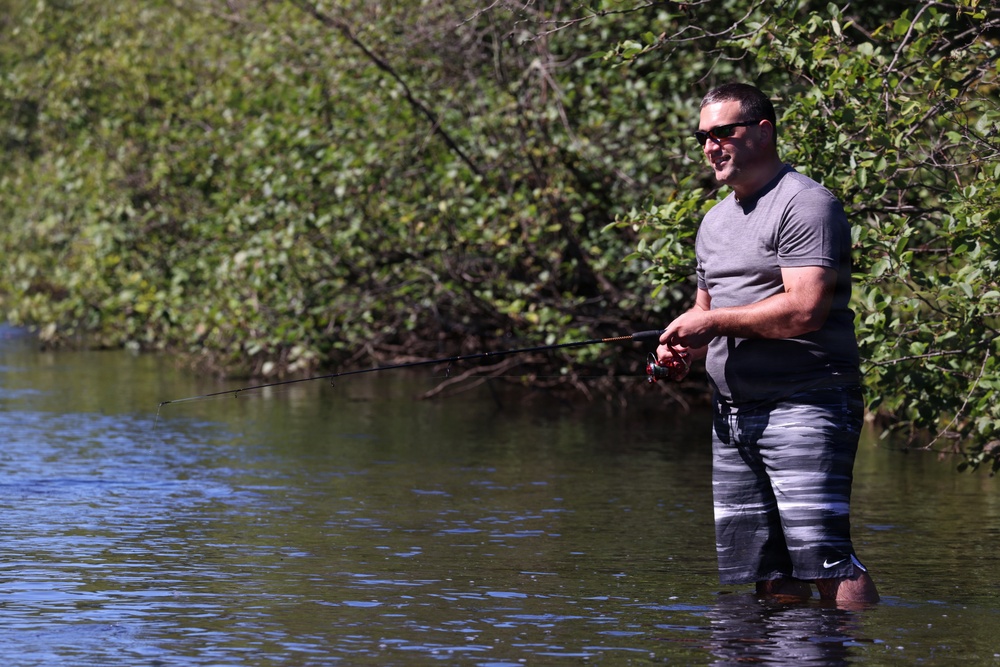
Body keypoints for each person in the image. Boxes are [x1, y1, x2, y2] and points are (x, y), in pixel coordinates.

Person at [657, 82, 879, 605]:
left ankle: (867, 652)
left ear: (763, 131)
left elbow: (805, 309)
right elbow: (706, 310)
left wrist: (710, 326)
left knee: (825, 560)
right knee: (769, 571)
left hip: (808, 401)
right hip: (733, 412)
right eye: (702, 137)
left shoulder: (805, 203)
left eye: (722, 132)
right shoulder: (713, 221)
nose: (710, 145)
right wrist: (681, 351)